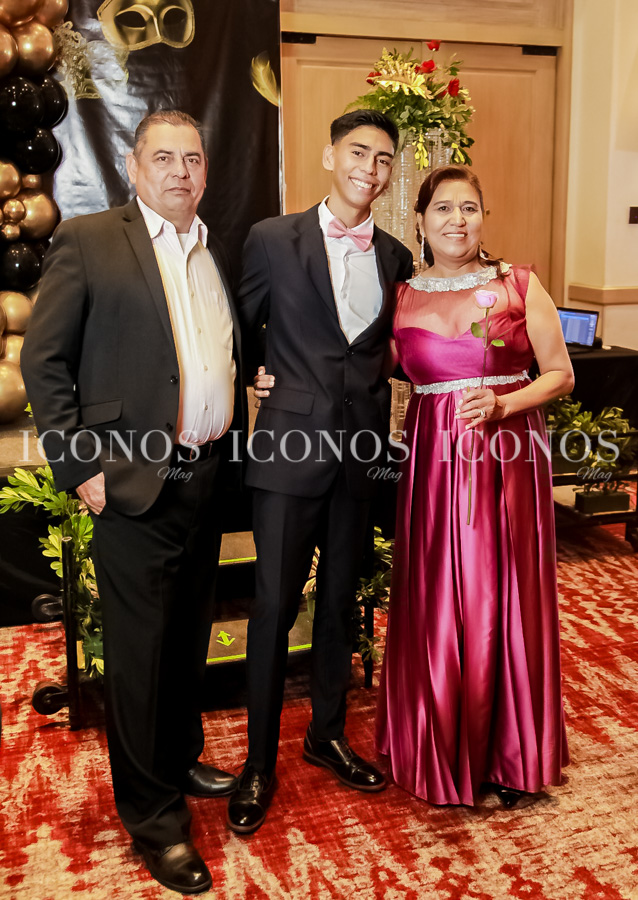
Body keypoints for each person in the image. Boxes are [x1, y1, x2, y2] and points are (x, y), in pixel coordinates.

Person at [21, 110, 245, 895]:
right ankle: (153, 818)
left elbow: (209, 354)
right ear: (133, 164)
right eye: (165, 157)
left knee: (185, 639)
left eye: (193, 158)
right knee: (140, 657)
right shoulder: (90, 240)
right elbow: (43, 359)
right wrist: (78, 462)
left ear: (206, 170)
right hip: (129, 482)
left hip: (204, 477)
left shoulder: (211, 248)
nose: (181, 171)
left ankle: (178, 760)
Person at [227, 110, 414, 833]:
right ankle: (257, 762)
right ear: (330, 155)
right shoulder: (272, 238)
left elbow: (390, 349)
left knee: (338, 602)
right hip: (288, 452)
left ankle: (326, 733)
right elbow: (239, 327)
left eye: (384, 158)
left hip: (359, 454)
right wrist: (256, 376)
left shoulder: (396, 255)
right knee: (274, 609)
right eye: (359, 152)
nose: (371, 167)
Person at [376, 164, 573, 808]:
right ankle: (439, 742)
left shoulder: (519, 284)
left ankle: (510, 753)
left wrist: (505, 403)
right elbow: (366, 372)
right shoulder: (401, 297)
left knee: (503, 591)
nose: (457, 220)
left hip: (506, 460)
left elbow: (560, 373)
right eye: (443, 208)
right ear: (421, 220)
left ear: (484, 217)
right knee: (437, 592)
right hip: (433, 466)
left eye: (469, 207)